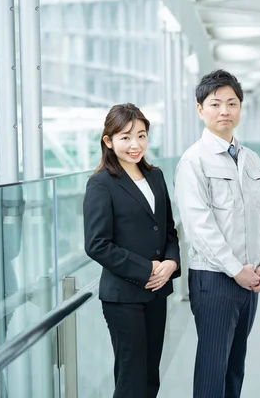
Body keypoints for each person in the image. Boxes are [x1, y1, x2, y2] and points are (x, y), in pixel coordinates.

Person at [174, 69, 260, 398]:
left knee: (235, 365)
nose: (224, 111)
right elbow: (198, 226)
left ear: (240, 108)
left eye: (232, 103)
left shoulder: (251, 159)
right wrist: (237, 270)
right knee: (213, 367)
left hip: (250, 278)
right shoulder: (194, 161)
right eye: (215, 103)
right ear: (200, 109)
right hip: (216, 279)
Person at [83, 103, 180, 398]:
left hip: (157, 291)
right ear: (108, 141)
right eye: (125, 137)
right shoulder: (101, 184)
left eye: (141, 135)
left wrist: (172, 263)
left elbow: (168, 230)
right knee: (131, 378)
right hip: (123, 297)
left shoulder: (156, 176)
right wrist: (148, 269)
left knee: (151, 375)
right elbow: (96, 245)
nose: (135, 144)